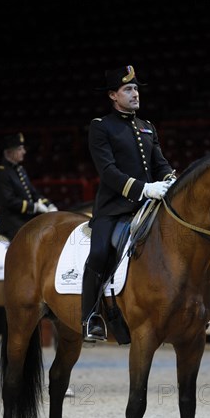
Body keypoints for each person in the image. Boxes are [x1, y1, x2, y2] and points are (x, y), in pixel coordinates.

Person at [82, 64, 176, 342]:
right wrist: (144, 189)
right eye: (128, 89)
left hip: (147, 207)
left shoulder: (147, 127)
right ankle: (89, 317)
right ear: (113, 95)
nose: (135, 93)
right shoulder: (100, 127)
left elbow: (160, 164)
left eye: (136, 88)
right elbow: (108, 172)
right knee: (99, 252)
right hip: (113, 208)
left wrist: (171, 180)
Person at [0, 132, 58, 240]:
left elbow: (33, 193)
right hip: (12, 222)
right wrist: (34, 207)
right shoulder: (1, 172)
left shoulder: (20, 169)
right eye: (20, 149)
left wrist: (49, 205)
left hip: (26, 218)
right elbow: (8, 201)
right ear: (9, 152)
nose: (24, 152)